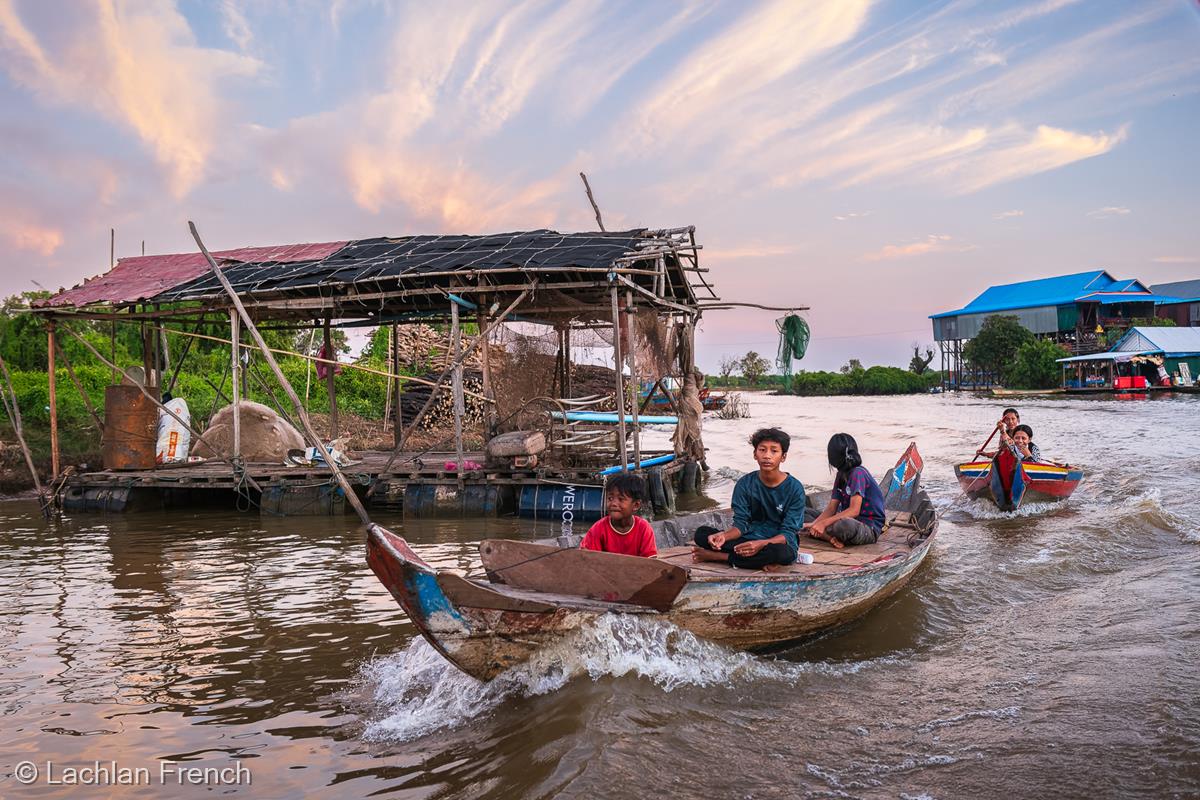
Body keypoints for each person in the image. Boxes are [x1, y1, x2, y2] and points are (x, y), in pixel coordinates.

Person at [692, 427, 806, 570]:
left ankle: (718, 557)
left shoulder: (795, 488)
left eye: (774, 451)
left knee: (783, 554)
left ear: (783, 457)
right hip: (747, 539)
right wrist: (723, 537)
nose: (767, 456)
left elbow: (788, 533)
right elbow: (741, 524)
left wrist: (761, 544)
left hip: (775, 543)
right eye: (762, 450)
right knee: (702, 534)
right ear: (755, 454)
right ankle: (754, 560)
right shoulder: (745, 484)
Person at [804, 433, 886, 549]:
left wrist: (822, 523)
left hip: (867, 528)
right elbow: (832, 508)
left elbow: (854, 511)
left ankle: (823, 534)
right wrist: (815, 523)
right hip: (843, 518)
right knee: (803, 512)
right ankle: (825, 535)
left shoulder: (858, 473)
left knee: (843, 526)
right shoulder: (841, 475)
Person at [580, 472, 658, 557]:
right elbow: (588, 560)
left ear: (636, 505)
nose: (613, 503)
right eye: (610, 498)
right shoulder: (598, 529)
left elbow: (650, 563)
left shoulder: (643, 528)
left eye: (621, 499)